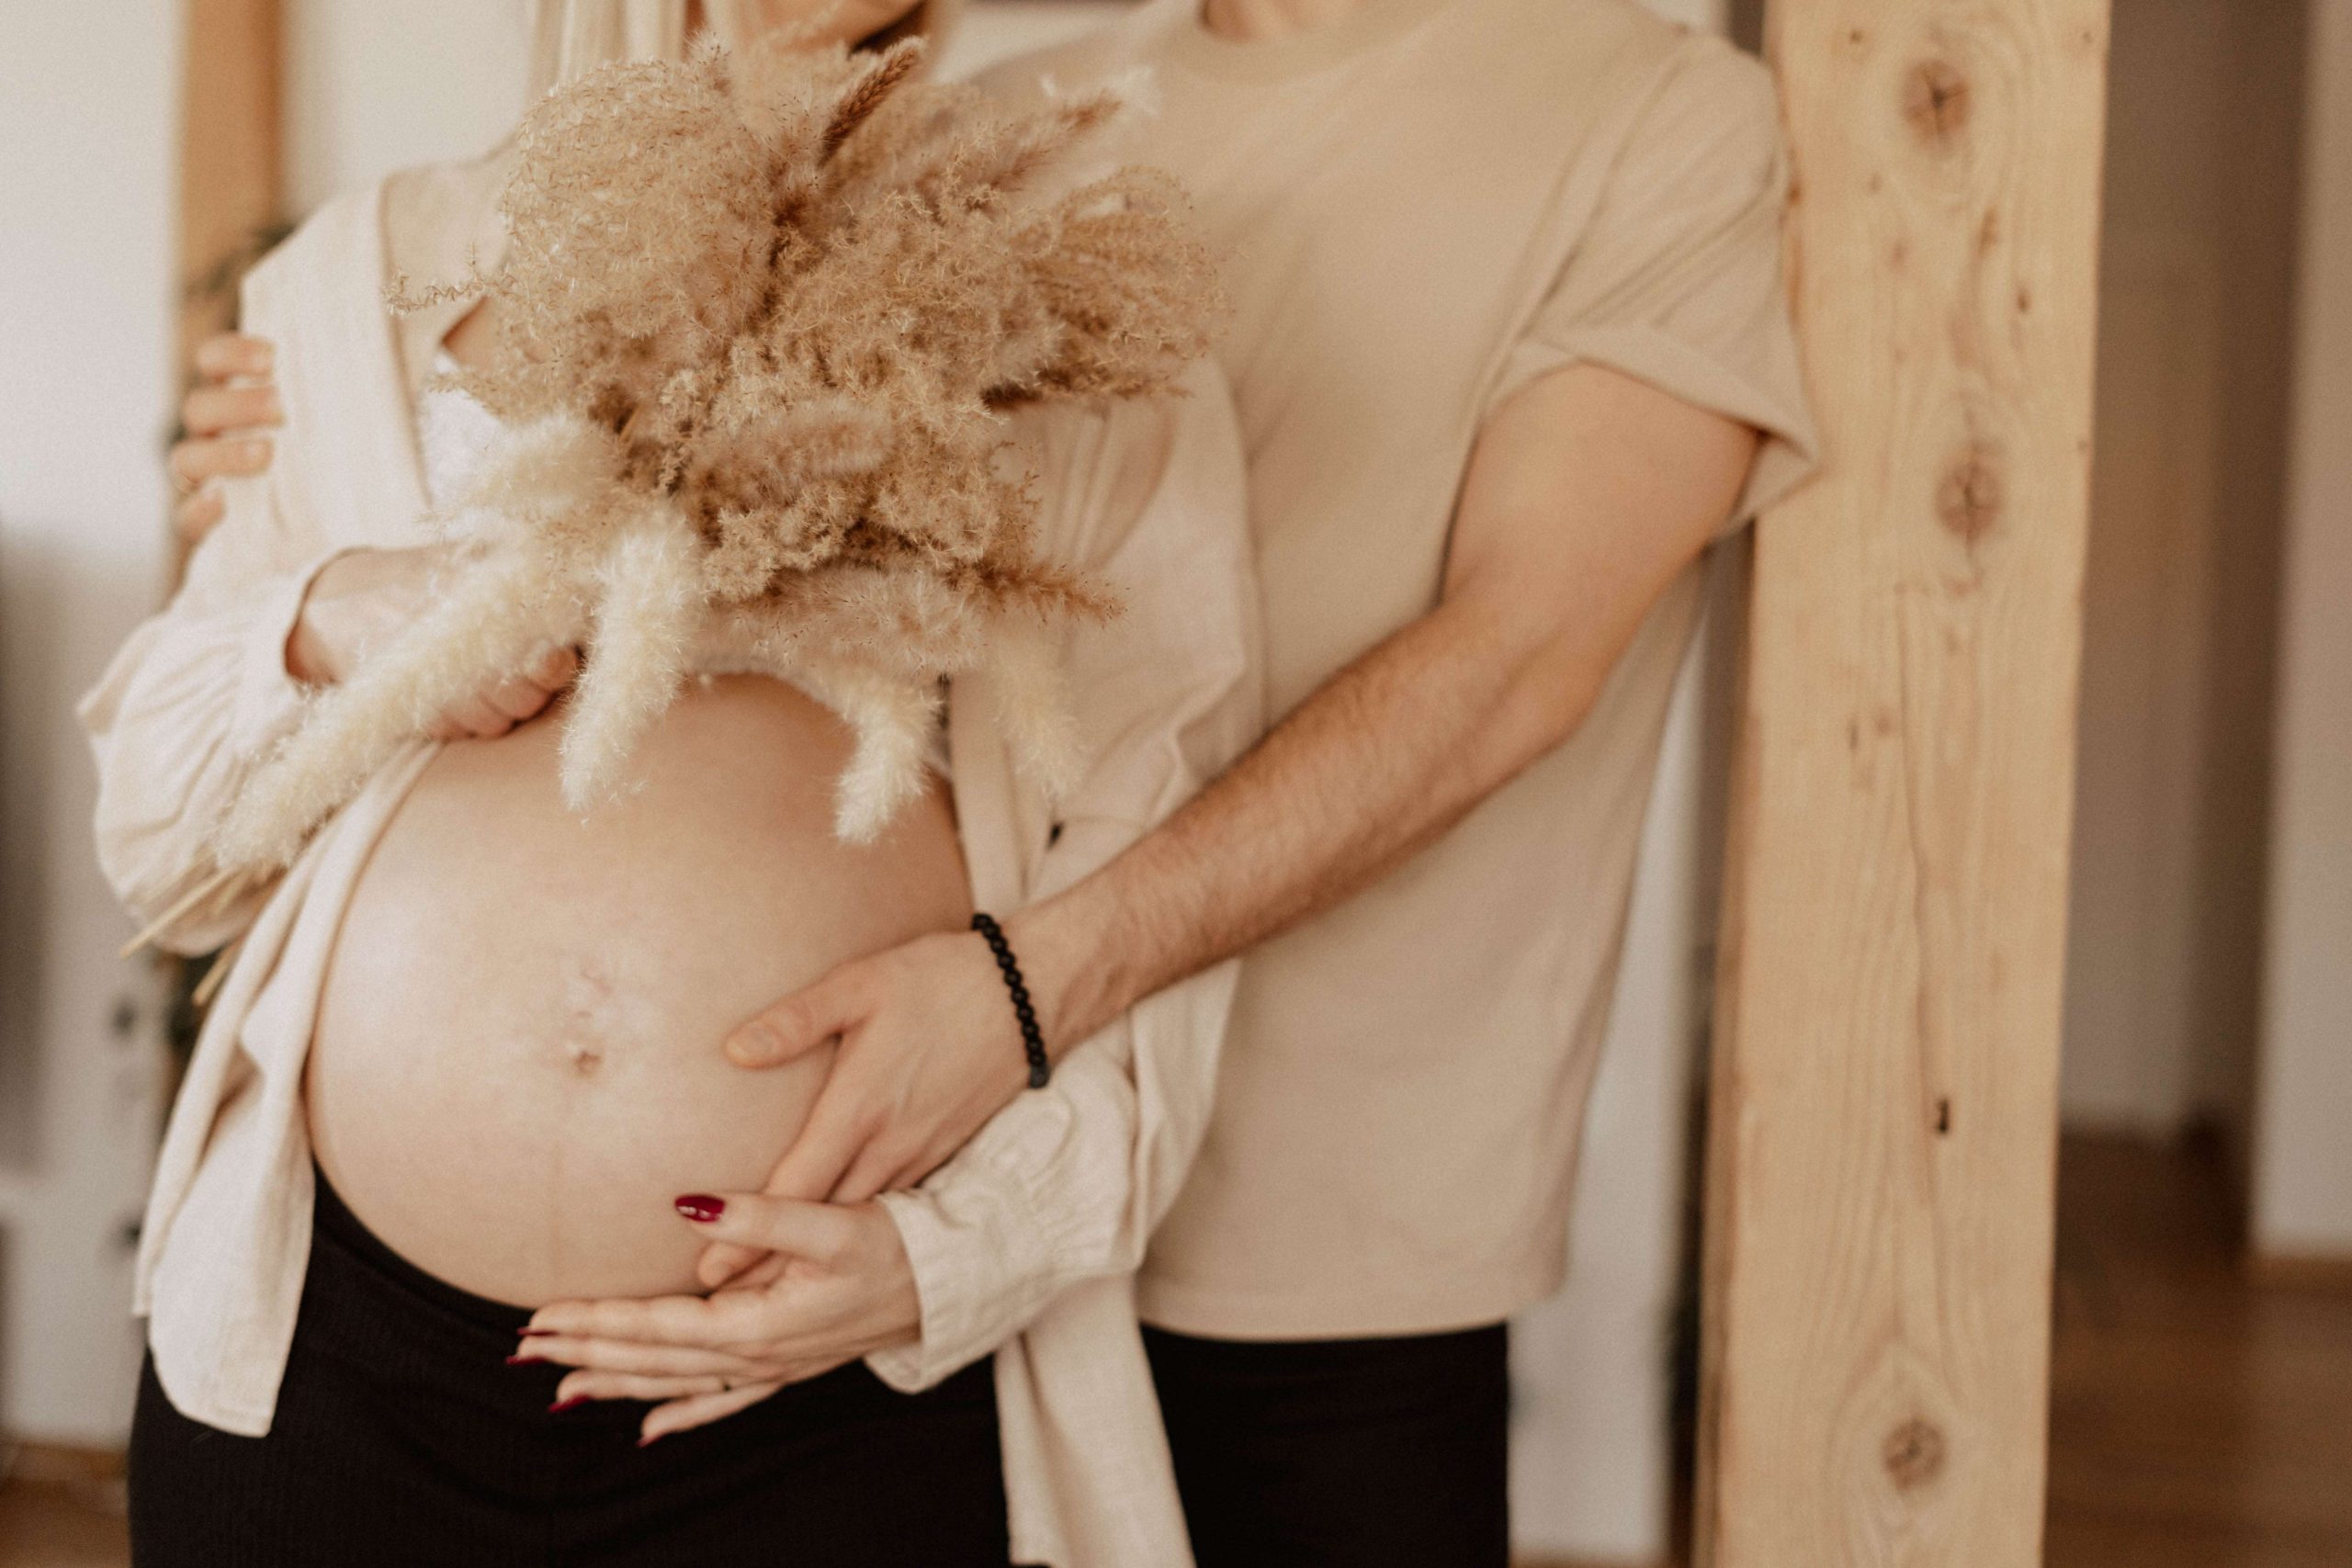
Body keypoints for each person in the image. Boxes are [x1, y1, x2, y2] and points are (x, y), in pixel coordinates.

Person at [177, 0, 1825, 1561]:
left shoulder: (1649, 111)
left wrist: (1026, 1003)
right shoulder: (999, 121)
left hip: (1316, 1231)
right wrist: (312, 435)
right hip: (931, 1227)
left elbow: (1517, 662)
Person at [96, 2, 1261, 1564]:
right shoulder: (354, 275)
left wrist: (948, 1254)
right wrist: (323, 618)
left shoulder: (1074, 297)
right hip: (340, 1362)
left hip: (824, 1380)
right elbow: (160, 846)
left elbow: (1167, 842)